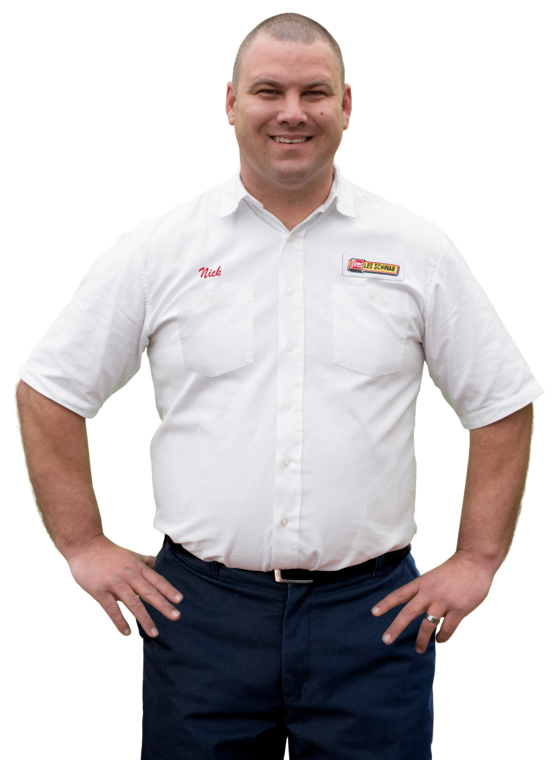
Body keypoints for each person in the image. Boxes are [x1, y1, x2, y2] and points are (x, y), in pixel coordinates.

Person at [13, 10, 543, 760]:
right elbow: (49, 389)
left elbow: (502, 401)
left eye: (314, 93)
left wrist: (478, 560)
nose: (292, 112)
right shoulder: (160, 248)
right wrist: (82, 544)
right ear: (231, 103)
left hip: (375, 617)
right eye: (269, 91)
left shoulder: (415, 248)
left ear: (346, 105)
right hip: (200, 616)